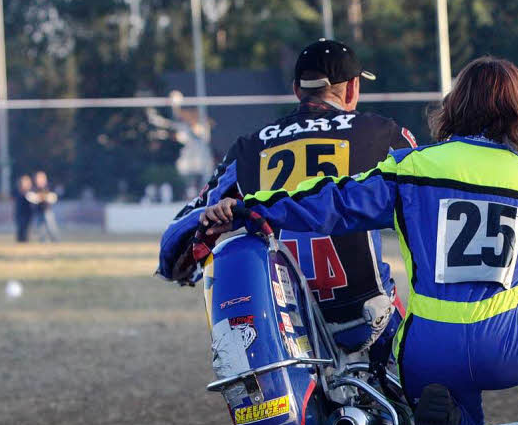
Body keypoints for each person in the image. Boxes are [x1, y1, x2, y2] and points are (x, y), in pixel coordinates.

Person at [201, 57, 518, 425]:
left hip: (426, 351)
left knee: (450, 414)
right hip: (510, 351)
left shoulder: (411, 167)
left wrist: (251, 207)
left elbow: (332, 202)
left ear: (454, 106)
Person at [159, 38, 418, 361]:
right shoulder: (382, 133)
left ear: (297, 89)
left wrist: (175, 267)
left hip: (286, 325)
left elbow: (180, 232)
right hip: (364, 317)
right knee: (421, 383)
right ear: (352, 89)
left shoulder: (249, 148)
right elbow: (426, 199)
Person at [32, 171, 60, 242]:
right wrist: (42, 197)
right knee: (40, 229)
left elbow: (53, 197)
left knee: (51, 228)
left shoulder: (49, 187)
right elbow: (32, 198)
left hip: (47, 211)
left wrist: (42, 197)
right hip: (38, 212)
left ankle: (55, 241)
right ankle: (43, 242)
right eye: (38, 178)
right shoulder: (34, 188)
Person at [14, 175, 34, 242]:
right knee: (20, 229)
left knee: (26, 229)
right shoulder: (18, 192)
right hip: (20, 214)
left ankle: (25, 241)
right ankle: (20, 241)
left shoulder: (30, 193)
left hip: (27, 214)